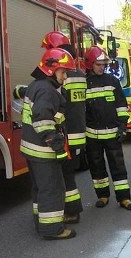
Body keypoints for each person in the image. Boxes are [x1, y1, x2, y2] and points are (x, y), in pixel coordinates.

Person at [19, 48, 77, 239]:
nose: (65, 77)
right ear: (52, 69)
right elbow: (43, 121)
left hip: (31, 150)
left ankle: (41, 223)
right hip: (43, 151)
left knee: (39, 189)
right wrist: (58, 147)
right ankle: (53, 229)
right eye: (64, 72)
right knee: (52, 188)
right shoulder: (47, 91)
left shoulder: (36, 85)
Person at [41, 31, 86, 224]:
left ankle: (70, 212)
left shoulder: (61, 75)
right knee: (69, 177)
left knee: (63, 178)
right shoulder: (81, 75)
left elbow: (56, 106)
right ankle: (73, 210)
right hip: (79, 135)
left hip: (65, 135)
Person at [84, 46, 131, 211]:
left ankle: (124, 198)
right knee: (97, 168)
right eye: (98, 64)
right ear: (90, 64)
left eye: (103, 64)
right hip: (92, 136)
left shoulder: (112, 81)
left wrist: (122, 127)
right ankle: (103, 196)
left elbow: (121, 106)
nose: (102, 67)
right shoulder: (84, 83)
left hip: (113, 133)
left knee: (118, 167)